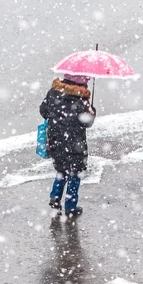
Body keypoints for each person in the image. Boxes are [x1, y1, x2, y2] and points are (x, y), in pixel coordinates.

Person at [39, 74, 96, 217]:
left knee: (61, 170)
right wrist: (92, 111)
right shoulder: (81, 99)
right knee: (75, 173)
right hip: (75, 144)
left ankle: (55, 197)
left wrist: (56, 117)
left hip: (56, 140)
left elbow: (43, 110)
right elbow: (87, 122)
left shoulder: (53, 92)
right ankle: (70, 207)